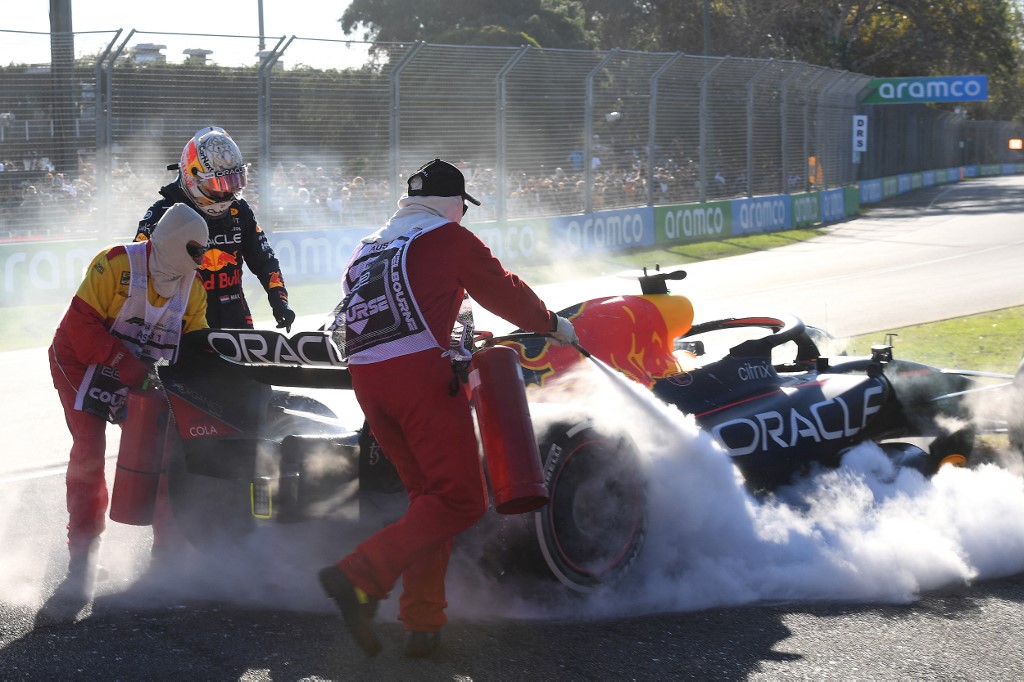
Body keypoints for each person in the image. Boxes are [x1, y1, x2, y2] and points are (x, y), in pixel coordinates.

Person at [319, 159, 578, 658]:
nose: (463, 214)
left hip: (368, 383)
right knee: (461, 501)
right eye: (462, 205)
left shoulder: (369, 245)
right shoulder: (449, 237)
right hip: (420, 379)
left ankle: (423, 623)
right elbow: (504, 290)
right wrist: (551, 323)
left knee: (429, 502)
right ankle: (358, 575)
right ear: (451, 202)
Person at [47, 203, 210, 604]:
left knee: (172, 453)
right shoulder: (115, 263)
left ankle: (166, 558)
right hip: (79, 360)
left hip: (138, 371)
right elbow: (77, 327)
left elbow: (196, 351)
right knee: (89, 449)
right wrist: (127, 365)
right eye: (193, 249)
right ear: (171, 240)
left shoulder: (195, 288)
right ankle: (82, 559)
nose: (199, 260)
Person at [135, 126, 296, 332]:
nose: (226, 194)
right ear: (192, 176)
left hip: (235, 317)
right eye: (217, 185)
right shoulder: (162, 213)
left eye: (232, 183)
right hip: (180, 323)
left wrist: (279, 300)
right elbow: (137, 269)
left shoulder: (240, 209)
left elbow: (265, 261)